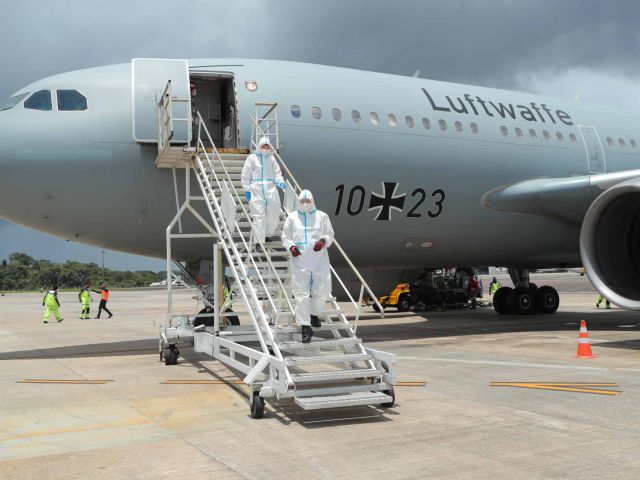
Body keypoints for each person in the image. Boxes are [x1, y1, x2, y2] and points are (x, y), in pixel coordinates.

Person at [282, 190, 335, 343]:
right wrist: (291, 247)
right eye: (302, 200)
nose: (305, 203)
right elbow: (286, 236)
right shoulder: (292, 218)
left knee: (323, 289)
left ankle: (314, 313)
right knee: (301, 294)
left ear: (312, 200)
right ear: (299, 201)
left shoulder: (322, 216)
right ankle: (305, 327)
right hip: (300, 260)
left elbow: (330, 234)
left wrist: (323, 242)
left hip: (319, 258)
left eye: (308, 200)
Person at [241, 136, 286, 243]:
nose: (265, 148)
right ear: (259, 146)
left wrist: (280, 181)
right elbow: (245, 175)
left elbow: (277, 173)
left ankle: (267, 235)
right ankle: (258, 241)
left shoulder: (271, 159)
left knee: (273, 214)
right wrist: (246, 189)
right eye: (263, 146)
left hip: (270, 189)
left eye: (267, 146)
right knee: (259, 216)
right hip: (256, 189)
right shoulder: (252, 158)